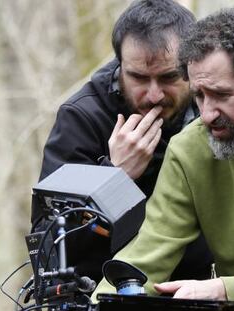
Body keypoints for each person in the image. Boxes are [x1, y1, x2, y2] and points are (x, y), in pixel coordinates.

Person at [32, 0, 213, 286]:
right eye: (139, 77)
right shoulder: (83, 118)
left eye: (169, 77)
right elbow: (49, 247)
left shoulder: (215, 111)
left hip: (201, 288)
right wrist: (113, 177)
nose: (154, 95)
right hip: (107, 291)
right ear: (120, 66)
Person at [95, 7, 234, 301]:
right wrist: (104, 301)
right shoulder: (190, 149)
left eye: (221, 95)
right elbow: (148, 253)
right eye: (199, 95)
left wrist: (228, 289)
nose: (207, 114)